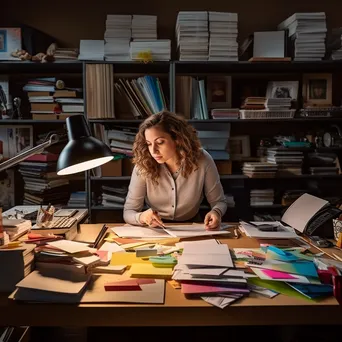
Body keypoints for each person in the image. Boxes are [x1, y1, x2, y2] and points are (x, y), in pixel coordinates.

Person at [123, 111, 227, 230]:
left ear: (177, 139)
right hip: (156, 230)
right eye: (149, 144)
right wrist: (142, 217)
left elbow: (219, 202)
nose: (153, 150)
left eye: (160, 142)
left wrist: (216, 212)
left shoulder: (202, 159)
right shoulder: (144, 164)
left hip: (191, 227)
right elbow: (129, 212)